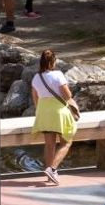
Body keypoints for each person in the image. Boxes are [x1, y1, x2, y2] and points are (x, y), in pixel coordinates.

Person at [29, 48, 79, 184]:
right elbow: (67, 95)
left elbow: (35, 98)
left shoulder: (36, 77)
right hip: (58, 112)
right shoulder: (58, 75)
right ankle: (52, 169)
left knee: (49, 144)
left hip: (43, 112)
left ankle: (50, 173)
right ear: (53, 62)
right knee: (66, 142)